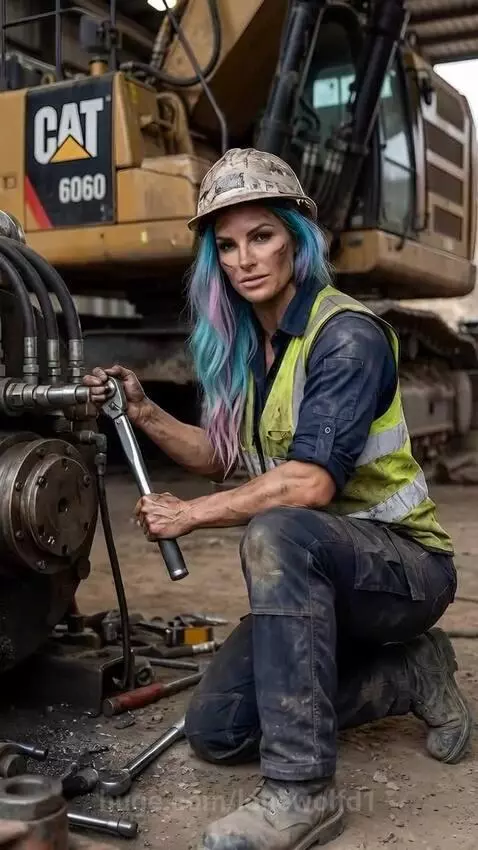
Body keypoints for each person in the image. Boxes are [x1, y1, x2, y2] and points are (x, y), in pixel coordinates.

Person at [84, 148, 471, 850]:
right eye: (226, 246)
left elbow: (310, 483)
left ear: (296, 237)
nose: (243, 260)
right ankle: (407, 673)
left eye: (261, 236)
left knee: (279, 531)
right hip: (326, 573)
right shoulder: (249, 347)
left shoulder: (344, 337)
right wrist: (143, 410)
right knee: (219, 730)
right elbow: (225, 455)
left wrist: (191, 516)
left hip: (404, 574)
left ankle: (301, 794)